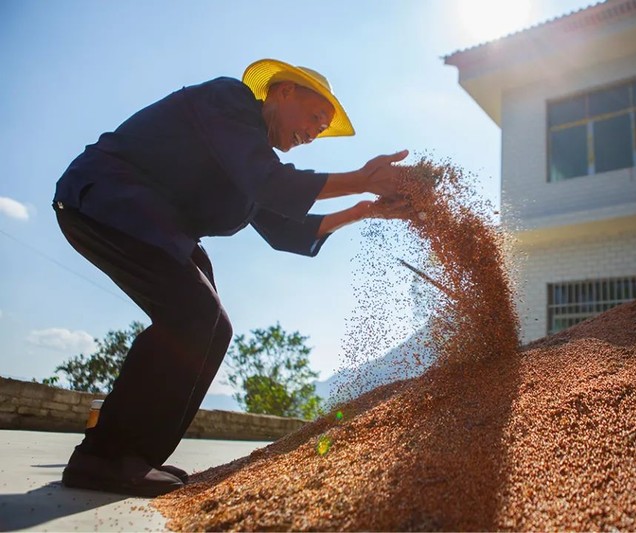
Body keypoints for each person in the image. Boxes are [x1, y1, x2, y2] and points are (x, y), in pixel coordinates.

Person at [53, 58, 413, 497]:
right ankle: (103, 459)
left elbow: (285, 230)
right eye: (316, 115)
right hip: (108, 197)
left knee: (212, 326)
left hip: (154, 226)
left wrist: (364, 210)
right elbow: (273, 185)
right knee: (193, 315)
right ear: (282, 92)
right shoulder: (228, 102)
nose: (317, 130)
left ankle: (133, 458)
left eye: (324, 126)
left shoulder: (249, 160)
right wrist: (361, 180)